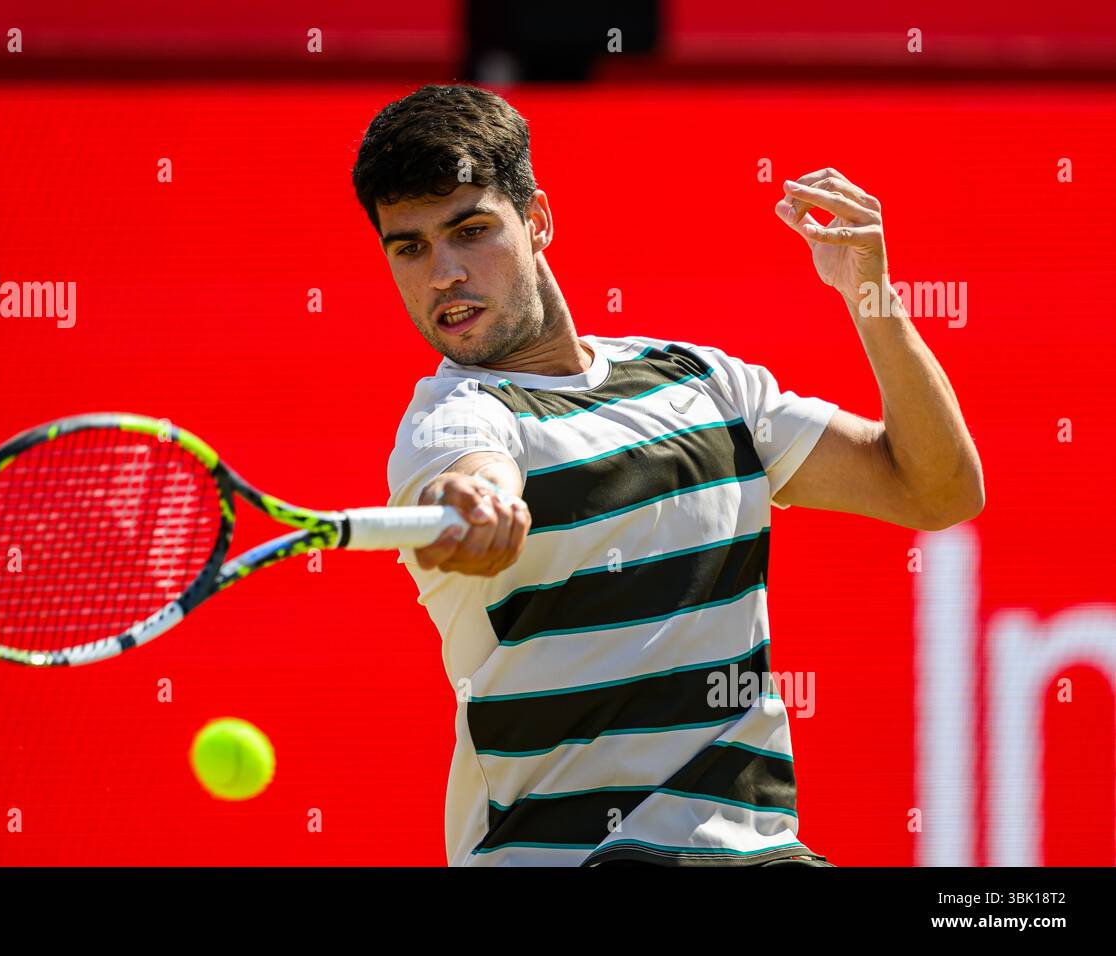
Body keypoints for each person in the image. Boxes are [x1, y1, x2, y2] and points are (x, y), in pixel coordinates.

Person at [351, 84, 983, 867]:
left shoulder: (703, 381)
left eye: (470, 230)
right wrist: (478, 503)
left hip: (764, 855)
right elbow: (472, 472)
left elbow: (937, 490)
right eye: (409, 248)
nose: (443, 273)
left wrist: (870, 295)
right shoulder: (452, 419)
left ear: (538, 220)